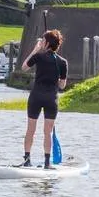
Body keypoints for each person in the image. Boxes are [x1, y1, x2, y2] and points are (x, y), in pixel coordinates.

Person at [19, 29, 68, 168]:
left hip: (36, 97)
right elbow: (62, 85)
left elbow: (24, 67)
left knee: (31, 129)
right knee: (48, 132)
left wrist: (35, 50)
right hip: (51, 99)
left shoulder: (38, 56)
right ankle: (47, 163)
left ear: (45, 43)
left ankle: (27, 160)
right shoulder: (63, 62)